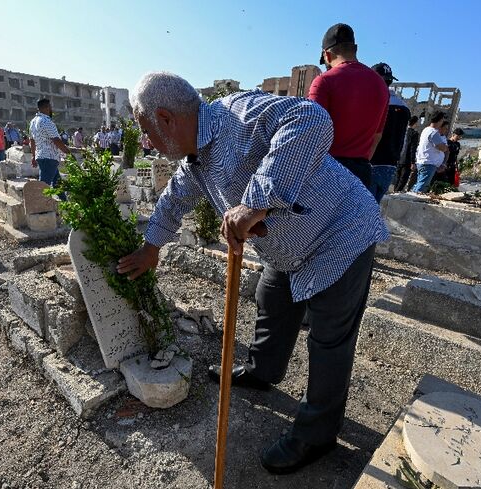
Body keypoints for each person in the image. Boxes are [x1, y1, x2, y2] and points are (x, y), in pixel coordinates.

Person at [117, 72, 387, 474]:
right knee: (271, 301)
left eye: (145, 130)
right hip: (287, 247)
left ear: (166, 118)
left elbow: (313, 119)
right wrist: (151, 246)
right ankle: (264, 370)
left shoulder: (238, 116)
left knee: (329, 340)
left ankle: (317, 435)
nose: (146, 141)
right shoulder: (196, 159)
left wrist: (257, 200)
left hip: (340, 234)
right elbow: (174, 197)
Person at [308, 23, 388, 189]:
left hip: (326, 171)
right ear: (355, 49)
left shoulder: (324, 81)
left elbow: (312, 131)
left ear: (327, 55)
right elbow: (377, 137)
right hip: (361, 174)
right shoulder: (380, 85)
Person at [368, 63, 409, 203]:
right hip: (390, 164)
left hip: (371, 162)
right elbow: (403, 139)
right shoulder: (404, 106)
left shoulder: (375, 101)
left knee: (360, 211)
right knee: (373, 208)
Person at [30, 98, 70, 189]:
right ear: (46, 107)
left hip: (42, 156)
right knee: (43, 187)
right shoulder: (46, 121)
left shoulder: (33, 122)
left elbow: (32, 140)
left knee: (58, 184)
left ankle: (64, 202)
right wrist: (68, 152)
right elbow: (56, 140)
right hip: (49, 158)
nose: (51, 109)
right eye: (50, 107)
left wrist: (33, 155)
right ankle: (38, 203)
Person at [411, 111, 448, 193]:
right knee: (422, 186)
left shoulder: (426, 129)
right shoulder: (434, 132)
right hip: (429, 163)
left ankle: (410, 197)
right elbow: (442, 147)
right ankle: (413, 200)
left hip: (423, 161)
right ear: (440, 120)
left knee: (419, 183)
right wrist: (445, 147)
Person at [394, 116, 420, 192]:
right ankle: (395, 194)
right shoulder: (414, 133)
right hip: (407, 159)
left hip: (399, 158)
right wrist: (412, 162)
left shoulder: (403, 131)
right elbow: (413, 148)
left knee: (398, 179)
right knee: (403, 180)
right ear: (415, 123)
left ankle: (393, 193)